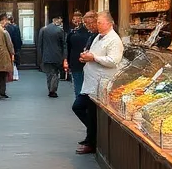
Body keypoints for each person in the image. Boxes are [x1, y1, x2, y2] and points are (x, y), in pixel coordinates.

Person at [72, 11, 123, 154]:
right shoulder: (98, 37)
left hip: (101, 82)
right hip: (91, 82)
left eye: (99, 22)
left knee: (87, 110)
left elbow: (113, 61)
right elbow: (93, 53)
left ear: (109, 23)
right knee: (80, 108)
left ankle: (92, 141)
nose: (97, 24)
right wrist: (86, 57)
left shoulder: (114, 40)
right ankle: (93, 135)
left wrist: (93, 58)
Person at [67, 10, 96, 100]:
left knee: (79, 86)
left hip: (78, 62)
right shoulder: (90, 34)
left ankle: (80, 104)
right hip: (84, 62)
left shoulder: (74, 34)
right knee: (83, 86)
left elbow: (69, 47)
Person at [37, 15, 66, 97]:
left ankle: (50, 88)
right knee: (55, 73)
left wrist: (40, 57)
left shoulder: (43, 29)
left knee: (49, 73)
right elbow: (63, 44)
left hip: (46, 55)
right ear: (57, 20)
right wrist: (64, 56)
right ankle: (53, 90)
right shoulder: (60, 30)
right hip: (57, 55)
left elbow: (40, 44)